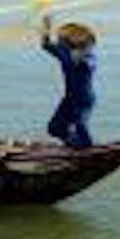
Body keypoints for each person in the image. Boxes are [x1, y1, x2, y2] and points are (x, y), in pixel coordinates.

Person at [41, 14, 97, 149]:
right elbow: (46, 45)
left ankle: (88, 149)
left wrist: (82, 54)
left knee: (80, 125)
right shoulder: (64, 54)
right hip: (69, 99)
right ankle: (73, 145)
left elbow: (86, 64)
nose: (59, 43)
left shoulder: (89, 59)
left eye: (61, 41)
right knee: (54, 128)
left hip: (83, 101)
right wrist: (46, 28)